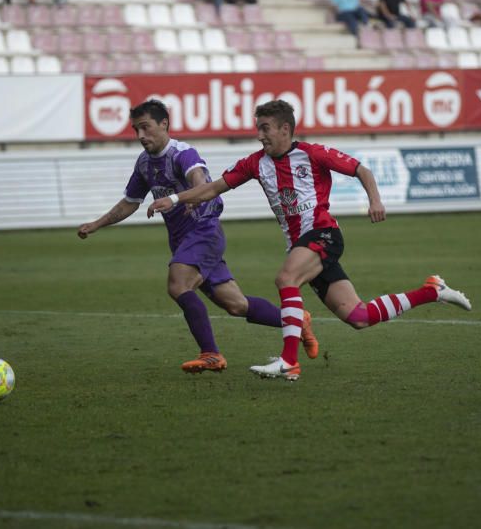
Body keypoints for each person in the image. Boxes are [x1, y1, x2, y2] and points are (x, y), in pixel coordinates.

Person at [148, 99, 472, 382]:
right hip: (301, 246)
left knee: (286, 278)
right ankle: (431, 291)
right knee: (358, 317)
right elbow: (213, 188)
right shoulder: (254, 163)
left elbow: (362, 170)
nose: (260, 135)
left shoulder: (313, 154)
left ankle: (289, 362)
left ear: (285, 129)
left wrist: (375, 200)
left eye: (265, 128)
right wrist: (176, 200)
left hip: (323, 233)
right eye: (257, 128)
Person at [78, 99, 319, 373]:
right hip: (184, 241)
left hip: (204, 231)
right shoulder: (145, 163)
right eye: (136, 130)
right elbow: (130, 201)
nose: (140, 136)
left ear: (164, 124)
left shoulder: (182, 153)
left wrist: (187, 197)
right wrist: (97, 224)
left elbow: (200, 178)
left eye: (145, 128)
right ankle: (297, 320)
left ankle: (211, 354)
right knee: (236, 305)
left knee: (178, 284)